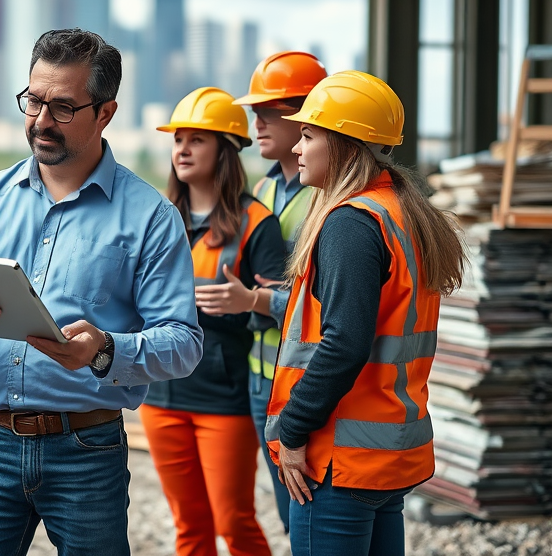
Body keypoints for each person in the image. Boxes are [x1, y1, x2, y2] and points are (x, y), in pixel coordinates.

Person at [0, 29, 204, 556]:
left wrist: (105, 350)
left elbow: (183, 343)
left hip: (87, 452)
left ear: (105, 113)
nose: (41, 120)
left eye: (63, 108)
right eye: (33, 101)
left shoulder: (151, 218)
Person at [265, 71, 466, 556]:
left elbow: (344, 344)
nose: (297, 147)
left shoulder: (351, 224)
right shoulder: (401, 212)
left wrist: (291, 430)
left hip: (339, 461)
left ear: (343, 145)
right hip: (385, 457)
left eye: (309, 136)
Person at [140, 87, 286, 556]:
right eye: (178, 139)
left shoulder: (257, 224)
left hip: (223, 399)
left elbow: (288, 310)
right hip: (160, 397)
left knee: (234, 522)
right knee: (189, 526)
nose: (181, 149)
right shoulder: (158, 220)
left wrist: (248, 302)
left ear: (226, 149)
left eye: (196, 140)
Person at [232, 50, 328, 532]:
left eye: (267, 111)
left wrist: (257, 299)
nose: (257, 122)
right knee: (290, 514)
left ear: (304, 112)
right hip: (260, 371)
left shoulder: (328, 197)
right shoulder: (264, 192)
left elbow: (326, 302)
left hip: (308, 374)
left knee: (312, 510)